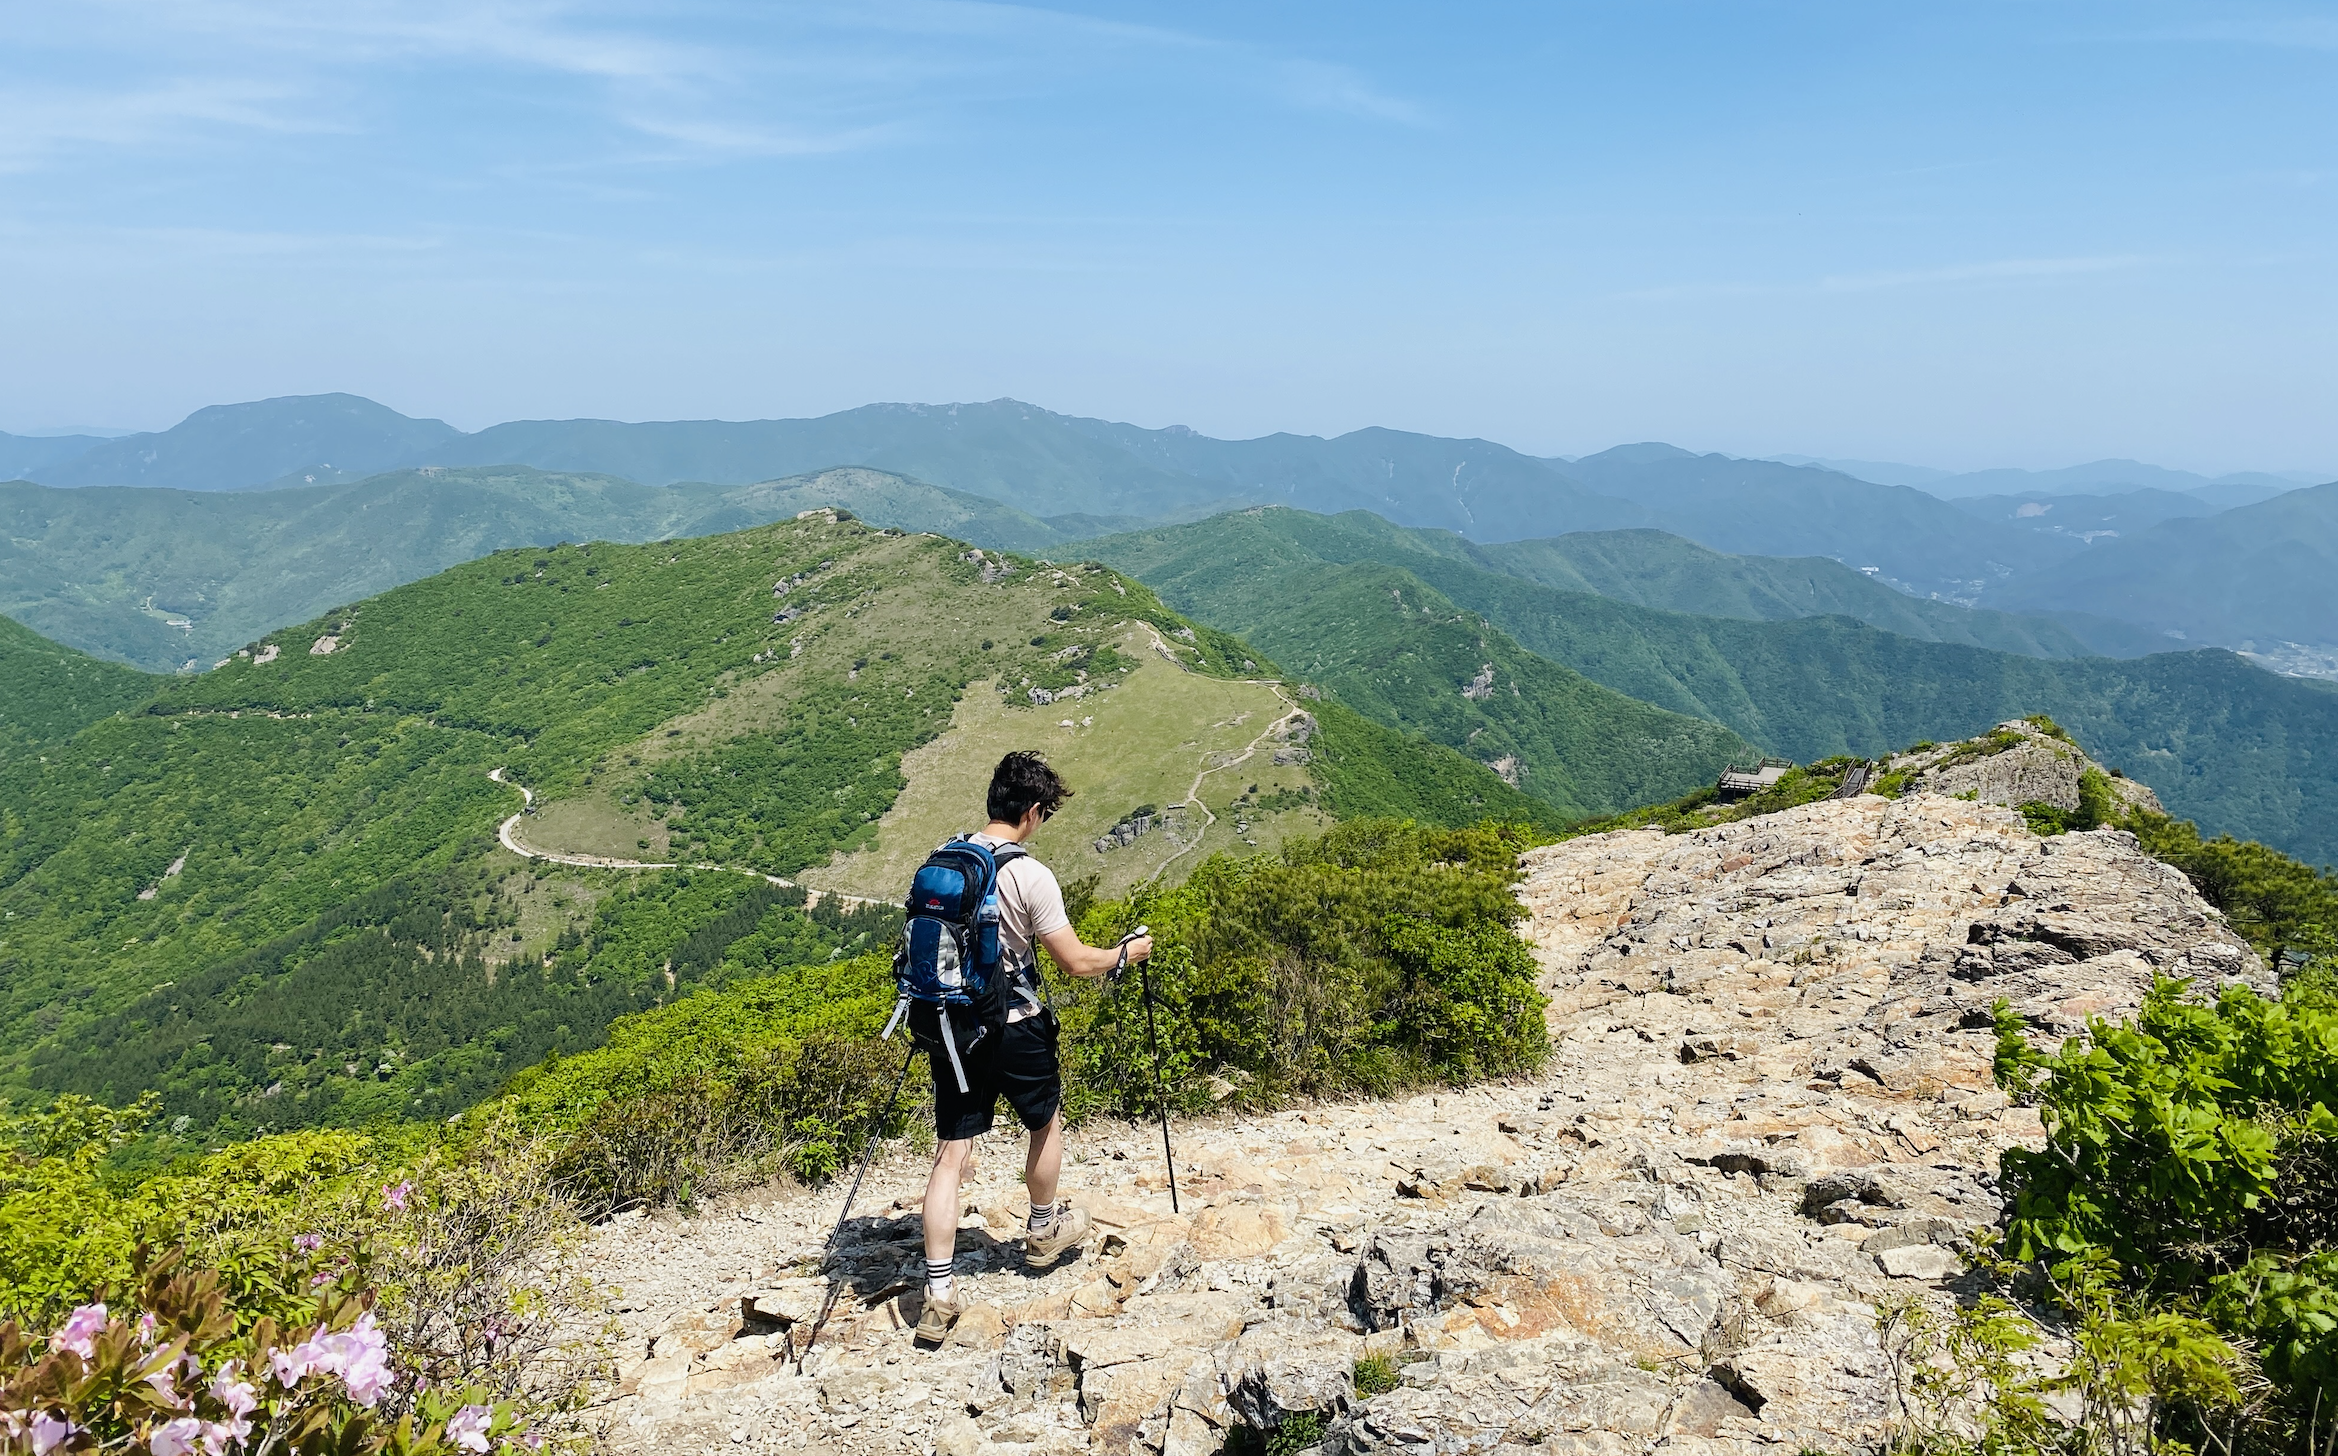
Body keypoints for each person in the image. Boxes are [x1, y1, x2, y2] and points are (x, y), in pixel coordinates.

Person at [913, 750, 1152, 1346]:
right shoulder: (1029, 874)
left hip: (953, 1024)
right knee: (1044, 1124)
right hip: (1016, 1024)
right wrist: (1125, 955)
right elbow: (1074, 962)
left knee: (951, 1153)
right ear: (1035, 812)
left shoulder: (944, 859)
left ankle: (939, 1292)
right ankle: (1043, 1230)